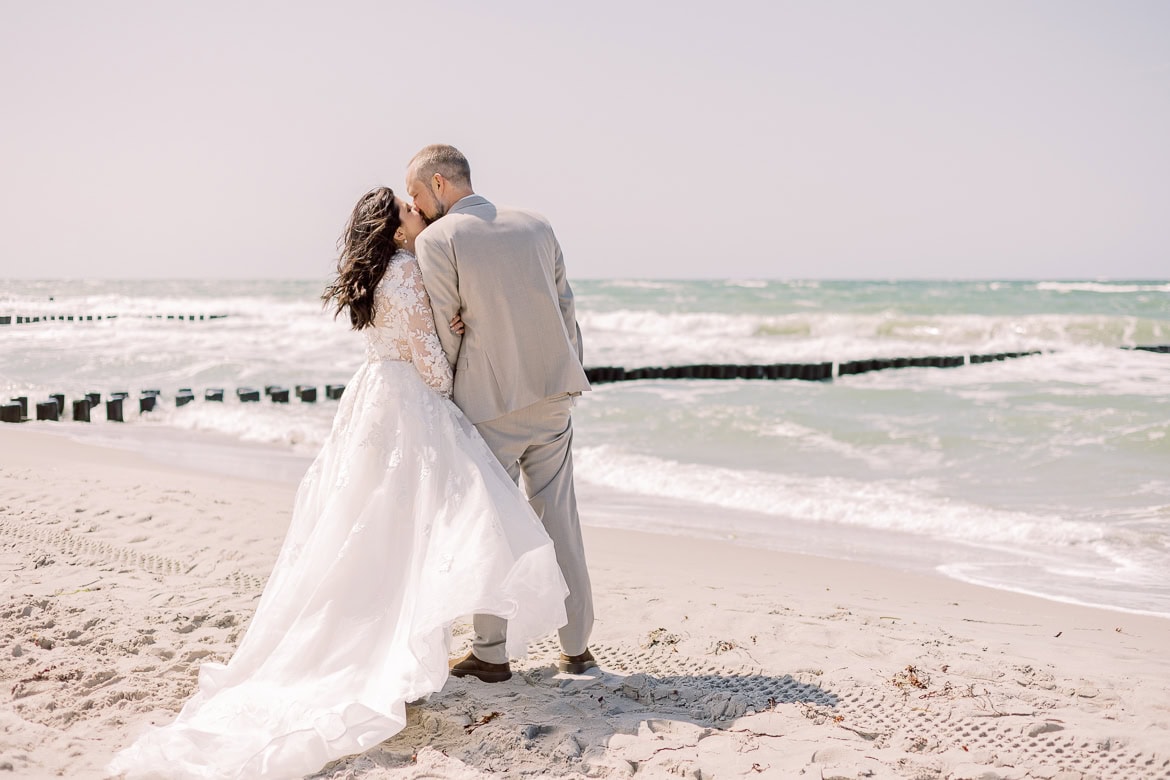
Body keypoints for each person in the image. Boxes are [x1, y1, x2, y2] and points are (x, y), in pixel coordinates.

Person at [108, 187, 569, 780]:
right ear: (396, 230)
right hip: (408, 407)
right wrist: (457, 343)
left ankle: (415, 642)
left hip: (373, 400)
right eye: (407, 210)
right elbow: (430, 363)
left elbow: (400, 340)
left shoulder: (381, 275)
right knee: (414, 530)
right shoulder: (407, 273)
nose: (417, 212)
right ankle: (409, 648)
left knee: (366, 524)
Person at [406, 144, 596, 683]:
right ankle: (577, 649)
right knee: (561, 519)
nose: (415, 207)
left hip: (488, 406)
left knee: (491, 529)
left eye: (418, 194)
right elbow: (566, 308)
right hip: (554, 395)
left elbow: (444, 331)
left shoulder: (439, 239)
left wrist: (445, 402)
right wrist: (566, 374)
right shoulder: (537, 223)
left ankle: (491, 653)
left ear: (439, 184)